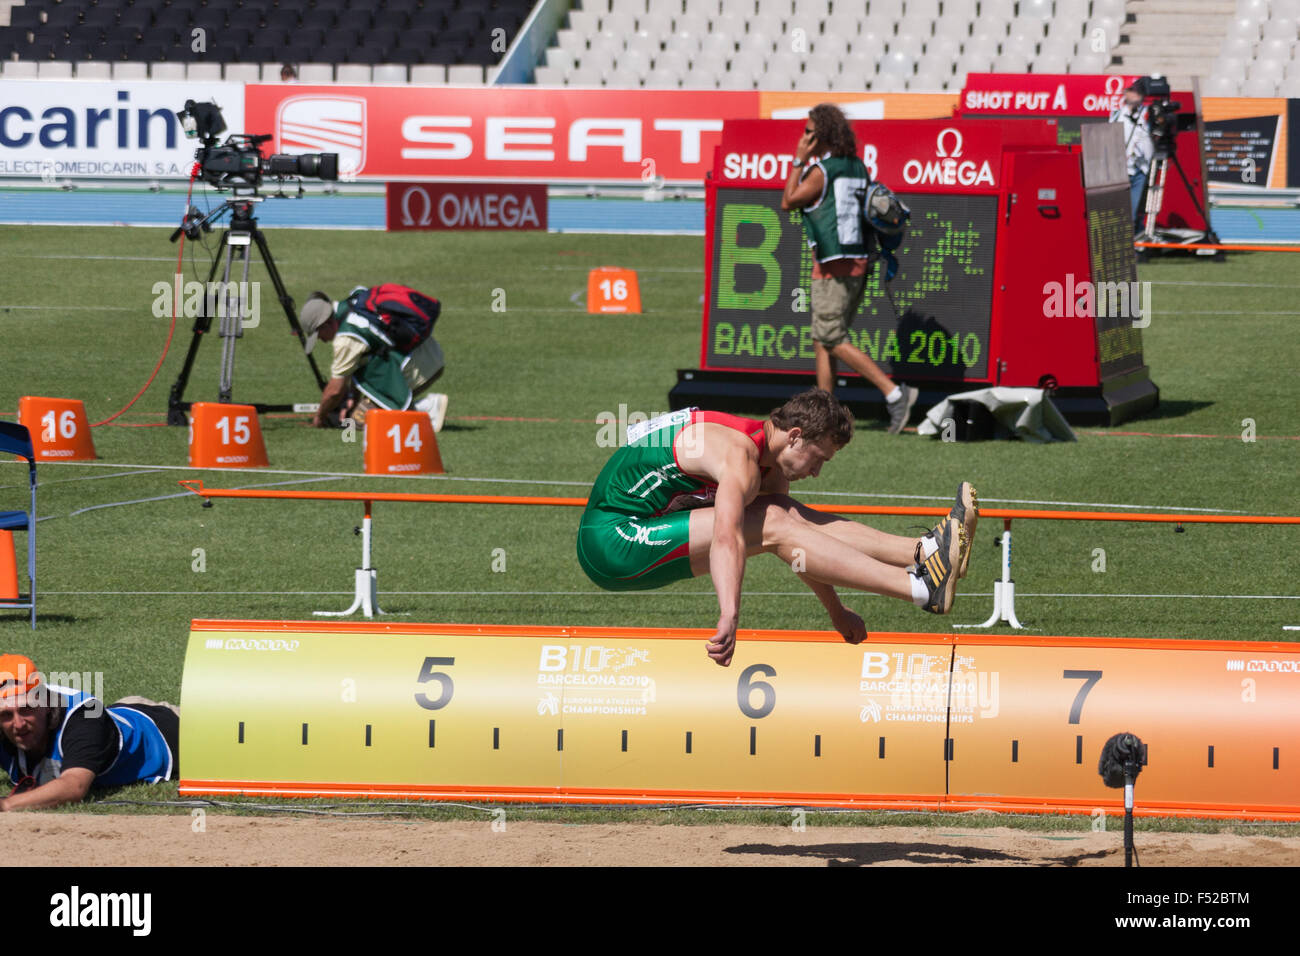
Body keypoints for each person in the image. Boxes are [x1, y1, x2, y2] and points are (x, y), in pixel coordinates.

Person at [576, 389, 978, 667]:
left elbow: (799, 549)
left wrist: (836, 613)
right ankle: (921, 588)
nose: (817, 473)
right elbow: (726, 537)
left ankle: (924, 551)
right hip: (611, 540)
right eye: (817, 460)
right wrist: (729, 614)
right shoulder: (738, 456)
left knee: (784, 515)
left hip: (646, 530)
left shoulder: (766, 460)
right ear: (796, 436)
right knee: (774, 519)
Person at [782, 103, 919, 435]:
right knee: (822, 340)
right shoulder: (857, 166)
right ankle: (825, 417)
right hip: (858, 261)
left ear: (821, 135)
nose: (805, 136)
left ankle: (895, 394)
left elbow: (788, 200)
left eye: (809, 131)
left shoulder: (821, 171)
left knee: (831, 337)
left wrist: (799, 158)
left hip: (834, 265)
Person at [0, 655, 179, 811]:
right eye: (6, 714)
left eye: (26, 709)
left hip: (168, 729)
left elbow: (74, 787)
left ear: (46, 703)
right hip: (120, 713)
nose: (18, 724)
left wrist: (6, 805)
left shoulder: (84, 718)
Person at [300, 286, 449, 431]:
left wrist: (320, 416)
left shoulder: (346, 339)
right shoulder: (355, 298)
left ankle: (428, 410)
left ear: (326, 324)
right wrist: (353, 395)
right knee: (360, 411)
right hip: (430, 354)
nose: (321, 340)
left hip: (420, 368)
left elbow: (335, 390)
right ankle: (418, 410)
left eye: (318, 335)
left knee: (356, 421)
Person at [1110, 79, 1155, 228]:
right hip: (1120, 170)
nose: (1136, 94)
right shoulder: (1117, 114)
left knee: (1134, 213)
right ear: (1125, 92)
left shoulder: (1149, 114)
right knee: (1118, 212)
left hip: (1140, 170)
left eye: (1139, 91)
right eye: (1133, 90)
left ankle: (1134, 246)